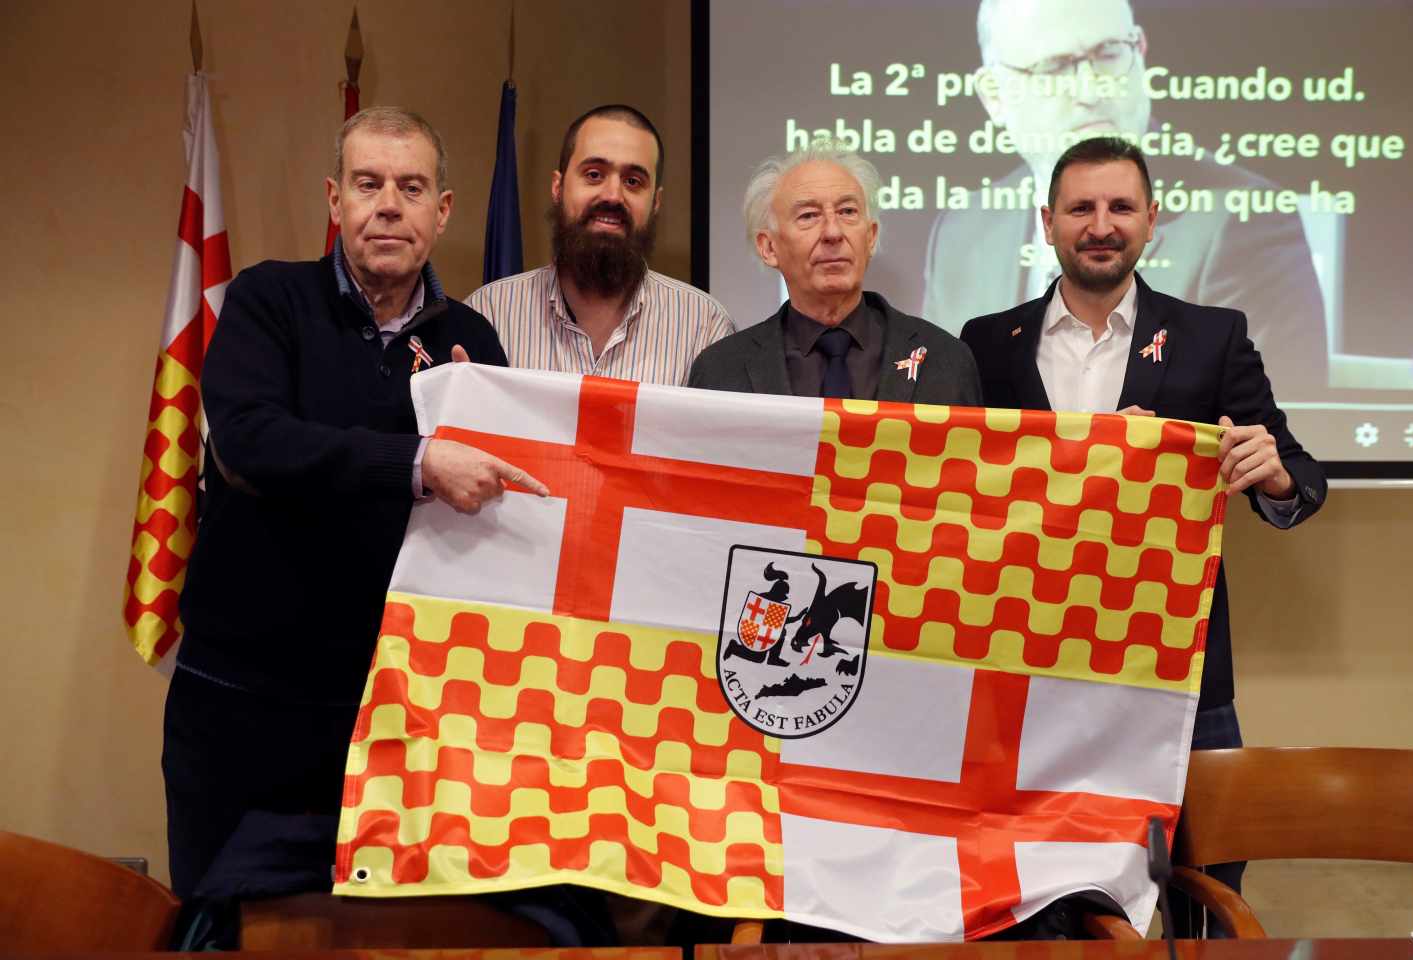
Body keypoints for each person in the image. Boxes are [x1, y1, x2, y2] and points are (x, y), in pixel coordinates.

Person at [162, 107, 546, 900]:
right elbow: (251, 443)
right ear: (336, 201)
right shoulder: (269, 299)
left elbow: (496, 506)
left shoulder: (472, 342)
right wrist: (418, 459)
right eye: (368, 184)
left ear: (442, 212)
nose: (388, 205)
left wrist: (468, 432)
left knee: (371, 935)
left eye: (411, 188)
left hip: (396, 712)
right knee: (221, 930)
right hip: (243, 706)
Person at [961, 136, 1326, 933]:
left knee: (1202, 897)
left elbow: (1299, 475)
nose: (1102, 225)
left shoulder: (1211, 335)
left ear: (1153, 220)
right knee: (1037, 903)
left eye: (1121, 207)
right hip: (1030, 668)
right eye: (1082, 208)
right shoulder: (987, 342)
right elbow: (962, 490)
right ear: (1047, 220)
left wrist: (1271, 470)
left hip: (1182, 673)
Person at [925, 0, 1327, 397]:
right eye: (1056, 67)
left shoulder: (1242, 216)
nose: (1091, 89)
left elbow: (1271, 421)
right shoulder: (964, 229)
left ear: (1141, 52)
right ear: (994, 95)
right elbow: (942, 407)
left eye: (1108, 55)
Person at [688, 145, 980, 405]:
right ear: (769, 247)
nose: (833, 232)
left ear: (871, 236)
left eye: (847, 211)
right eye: (808, 216)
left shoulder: (946, 359)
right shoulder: (721, 371)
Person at [466, 104, 732, 385]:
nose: (613, 196)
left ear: (656, 202)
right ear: (558, 187)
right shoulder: (490, 314)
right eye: (594, 174)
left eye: (633, 181)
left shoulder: (704, 327)